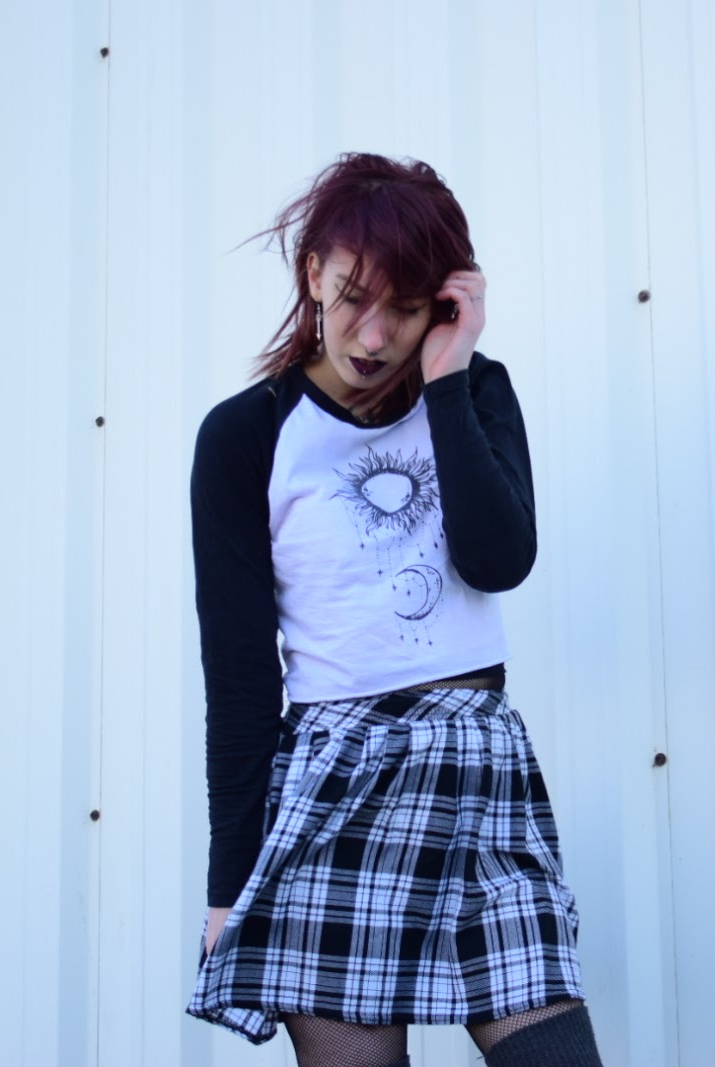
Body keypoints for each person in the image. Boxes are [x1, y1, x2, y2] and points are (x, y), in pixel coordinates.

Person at [185, 153, 602, 1067]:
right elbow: (241, 681)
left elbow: (499, 559)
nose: (373, 336)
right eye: (353, 297)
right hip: (339, 784)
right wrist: (229, 888)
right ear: (313, 275)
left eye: (406, 308)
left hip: (479, 774)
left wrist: (447, 380)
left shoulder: (475, 391)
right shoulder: (247, 436)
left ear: (443, 305)